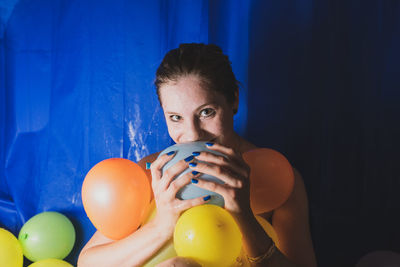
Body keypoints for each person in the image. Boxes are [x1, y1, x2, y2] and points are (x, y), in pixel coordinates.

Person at [78, 43, 317, 267]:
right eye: (176, 117)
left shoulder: (277, 179)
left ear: (233, 99)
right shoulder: (154, 172)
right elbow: (88, 262)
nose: (192, 134)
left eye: (206, 112)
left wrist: (244, 217)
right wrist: (162, 227)